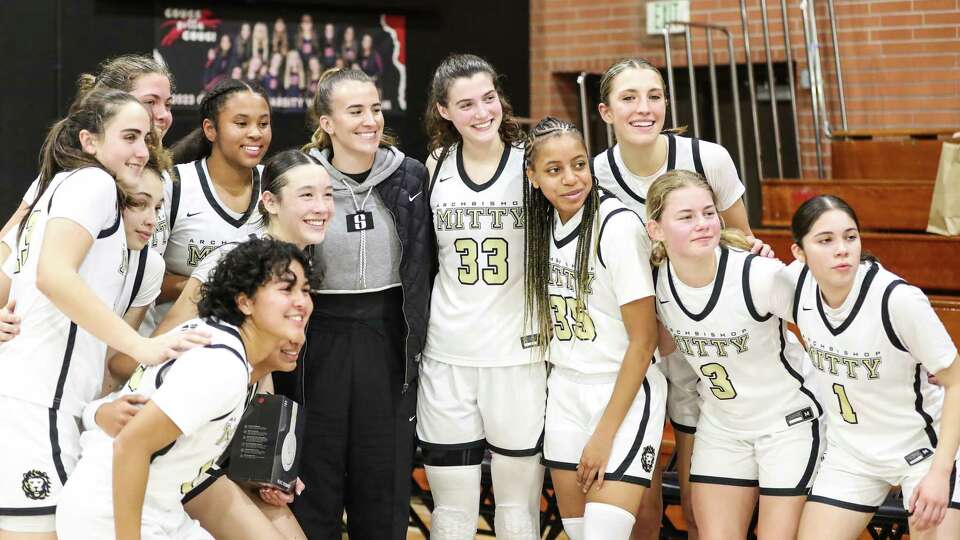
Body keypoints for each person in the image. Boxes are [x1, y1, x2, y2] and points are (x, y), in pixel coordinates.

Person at [0, 88, 207, 538]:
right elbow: (54, 276)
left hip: (46, 403)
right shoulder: (92, 183)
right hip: (36, 404)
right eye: (129, 136)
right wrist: (144, 345)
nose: (140, 150)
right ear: (90, 141)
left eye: (146, 140)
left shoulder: (64, 188)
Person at [593, 57, 772, 540]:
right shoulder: (595, 176)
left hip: (701, 343)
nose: (644, 108)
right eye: (629, 98)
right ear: (606, 112)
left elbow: (740, 240)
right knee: (640, 508)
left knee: (699, 506)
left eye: (654, 96)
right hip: (638, 345)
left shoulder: (708, 158)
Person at [56, 237, 315, 540]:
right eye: (286, 289)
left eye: (306, 290)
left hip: (160, 511)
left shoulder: (220, 343)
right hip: (111, 514)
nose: (301, 301)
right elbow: (130, 446)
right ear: (244, 301)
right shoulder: (221, 363)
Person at [291, 67, 432, 539]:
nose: (370, 120)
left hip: (390, 336)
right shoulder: (299, 176)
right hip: (316, 339)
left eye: (375, 108)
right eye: (355, 111)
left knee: (384, 483)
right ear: (327, 122)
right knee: (315, 480)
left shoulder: (410, 175)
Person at [644, 169, 824, 539]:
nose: (703, 224)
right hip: (723, 427)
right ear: (656, 230)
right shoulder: (659, 283)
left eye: (709, 212)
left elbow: (833, 316)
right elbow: (652, 348)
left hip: (786, 423)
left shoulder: (757, 275)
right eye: (686, 216)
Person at [777, 195, 960, 540]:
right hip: (851, 454)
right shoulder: (792, 287)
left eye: (850, 237)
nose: (842, 249)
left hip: (923, 452)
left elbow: (957, 382)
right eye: (825, 240)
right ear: (798, 253)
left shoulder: (898, 300)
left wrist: (940, 473)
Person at [417, 53, 544, 540]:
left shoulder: (531, 164)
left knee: (516, 510)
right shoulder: (436, 164)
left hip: (518, 355)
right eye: (466, 104)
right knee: (451, 512)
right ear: (445, 111)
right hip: (447, 354)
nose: (482, 112)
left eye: (488, 98)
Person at [524, 116, 666, 540]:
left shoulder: (617, 226)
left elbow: (644, 341)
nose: (571, 178)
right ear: (532, 177)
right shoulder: (540, 227)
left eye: (579, 164)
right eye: (554, 169)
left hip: (621, 390)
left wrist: (604, 435)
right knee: (581, 533)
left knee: (605, 534)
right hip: (565, 391)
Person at [0, 54, 176, 254]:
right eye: (150, 102)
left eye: (168, 104)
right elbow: (15, 245)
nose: (163, 115)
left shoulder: (162, 177)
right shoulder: (84, 179)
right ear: (113, 101)